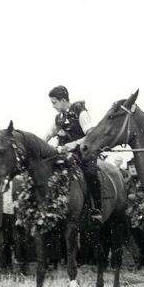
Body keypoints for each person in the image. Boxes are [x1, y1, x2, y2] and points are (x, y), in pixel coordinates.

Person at [43, 85, 103, 221]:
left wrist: (74, 144)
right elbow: (47, 135)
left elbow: (91, 135)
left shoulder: (80, 112)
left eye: (54, 102)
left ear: (63, 100)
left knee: (90, 173)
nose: (53, 106)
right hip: (65, 155)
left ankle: (96, 208)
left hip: (84, 153)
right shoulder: (58, 118)